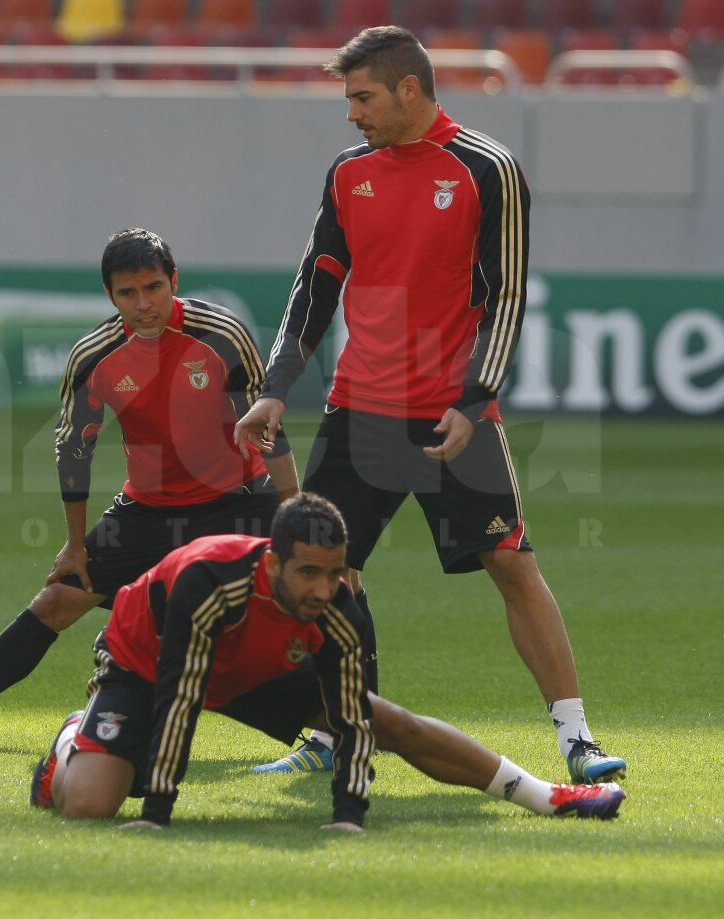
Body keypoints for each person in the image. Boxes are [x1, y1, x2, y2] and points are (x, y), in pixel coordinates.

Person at [233, 26, 625, 784]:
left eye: (363, 98)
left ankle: (577, 738)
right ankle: (338, 733)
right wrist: (275, 388)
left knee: (511, 563)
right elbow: (316, 284)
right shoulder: (348, 172)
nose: (352, 114)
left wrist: (475, 401)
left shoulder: (486, 168)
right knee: (325, 569)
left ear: (408, 89)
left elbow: (506, 295)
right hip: (358, 409)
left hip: (451, 415)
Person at [0, 228, 299, 746]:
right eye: (128, 293)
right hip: (147, 510)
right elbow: (75, 451)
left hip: (236, 503)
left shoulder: (223, 334)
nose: (143, 304)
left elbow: (267, 429)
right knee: (56, 600)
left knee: (288, 609)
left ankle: (329, 738)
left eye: (153, 288)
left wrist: (293, 514)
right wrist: (75, 544)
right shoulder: (93, 356)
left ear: (174, 282)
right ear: (109, 294)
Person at [30, 493, 626, 829]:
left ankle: (548, 796)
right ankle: (73, 737)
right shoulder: (209, 579)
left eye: (334, 571)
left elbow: (351, 718)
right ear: (271, 563)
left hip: (256, 666)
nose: (323, 588)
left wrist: (347, 814)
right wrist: (158, 813)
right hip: (149, 664)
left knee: (392, 721)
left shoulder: (336, 603)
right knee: (90, 806)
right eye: (308, 573)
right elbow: (180, 695)